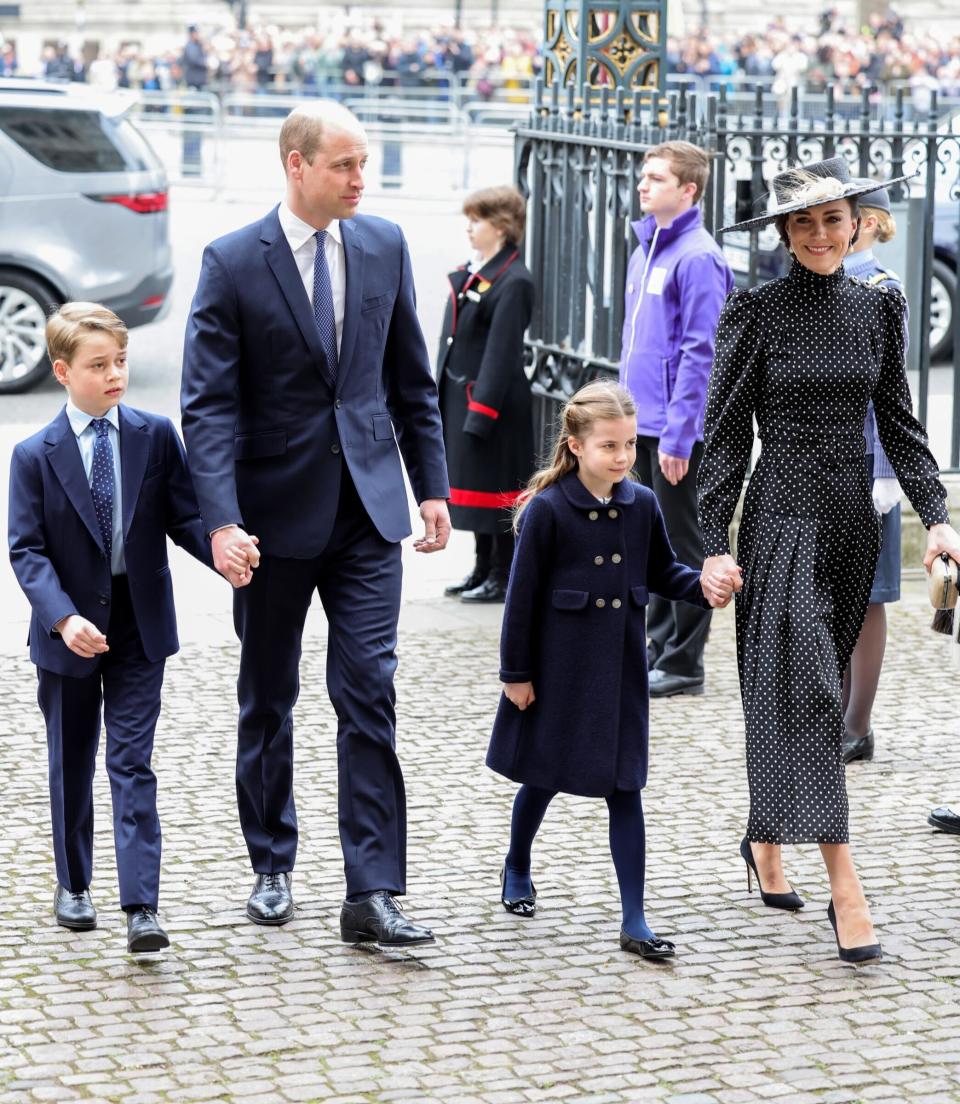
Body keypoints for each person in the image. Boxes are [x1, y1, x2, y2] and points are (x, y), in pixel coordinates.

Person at [180, 101, 451, 947]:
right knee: (269, 695)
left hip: (368, 514)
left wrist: (432, 488)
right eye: (343, 165)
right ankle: (272, 861)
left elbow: (411, 379)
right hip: (269, 521)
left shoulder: (385, 245)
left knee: (368, 690)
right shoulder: (231, 262)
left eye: (364, 163)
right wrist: (220, 523)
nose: (360, 179)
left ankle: (371, 891)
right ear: (296, 166)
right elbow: (209, 409)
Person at [698, 157, 960, 964]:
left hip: (854, 526)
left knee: (793, 691)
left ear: (858, 225)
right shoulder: (757, 311)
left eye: (833, 219)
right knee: (811, 694)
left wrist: (941, 518)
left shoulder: (879, 306)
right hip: (783, 523)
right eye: (803, 222)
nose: (819, 234)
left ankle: (765, 838)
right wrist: (713, 539)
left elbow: (902, 423)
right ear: (783, 233)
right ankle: (848, 888)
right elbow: (725, 434)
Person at [7, 303, 246, 953]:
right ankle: (74, 884)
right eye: (99, 365)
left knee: (131, 761)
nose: (115, 375)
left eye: (121, 362)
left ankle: (143, 905)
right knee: (71, 760)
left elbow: (185, 516)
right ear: (62, 372)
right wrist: (62, 617)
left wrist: (225, 553)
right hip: (70, 629)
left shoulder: (153, 434)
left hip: (140, 625)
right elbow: (25, 550)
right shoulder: (34, 455)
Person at [486, 381, 732, 960]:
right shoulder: (547, 510)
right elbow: (520, 600)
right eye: (609, 447)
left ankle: (635, 918)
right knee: (542, 777)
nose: (622, 458)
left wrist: (702, 586)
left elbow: (662, 570)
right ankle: (517, 864)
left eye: (627, 446)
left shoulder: (641, 503)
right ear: (575, 445)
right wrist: (515, 674)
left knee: (626, 789)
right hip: (559, 671)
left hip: (620, 670)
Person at [619, 140, 734, 698]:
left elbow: (701, 352)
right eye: (644, 176)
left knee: (684, 542)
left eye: (657, 178)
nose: (644, 185)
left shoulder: (698, 257)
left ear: (688, 190)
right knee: (650, 539)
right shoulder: (646, 250)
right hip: (640, 424)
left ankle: (685, 660)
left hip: (674, 431)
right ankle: (657, 645)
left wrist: (680, 433)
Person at [439, 185, 535, 603]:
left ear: (501, 226)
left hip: (493, 405)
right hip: (466, 398)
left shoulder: (514, 280)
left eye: (476, 221)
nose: (469, 229)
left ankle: (501, 573)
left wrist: (481, 412)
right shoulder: (478, 271)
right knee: (474, 488)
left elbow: (500, 354)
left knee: (496, 493)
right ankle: (481, 567)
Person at [841, 181, 906, 764]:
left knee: (867, 599)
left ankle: (856, 724)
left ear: (863, 224)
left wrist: (885, 473)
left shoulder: (880, 289)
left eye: (836, 219)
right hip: (822, 463)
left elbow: (891, 396)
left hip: (867, 465)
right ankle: (830, 714)